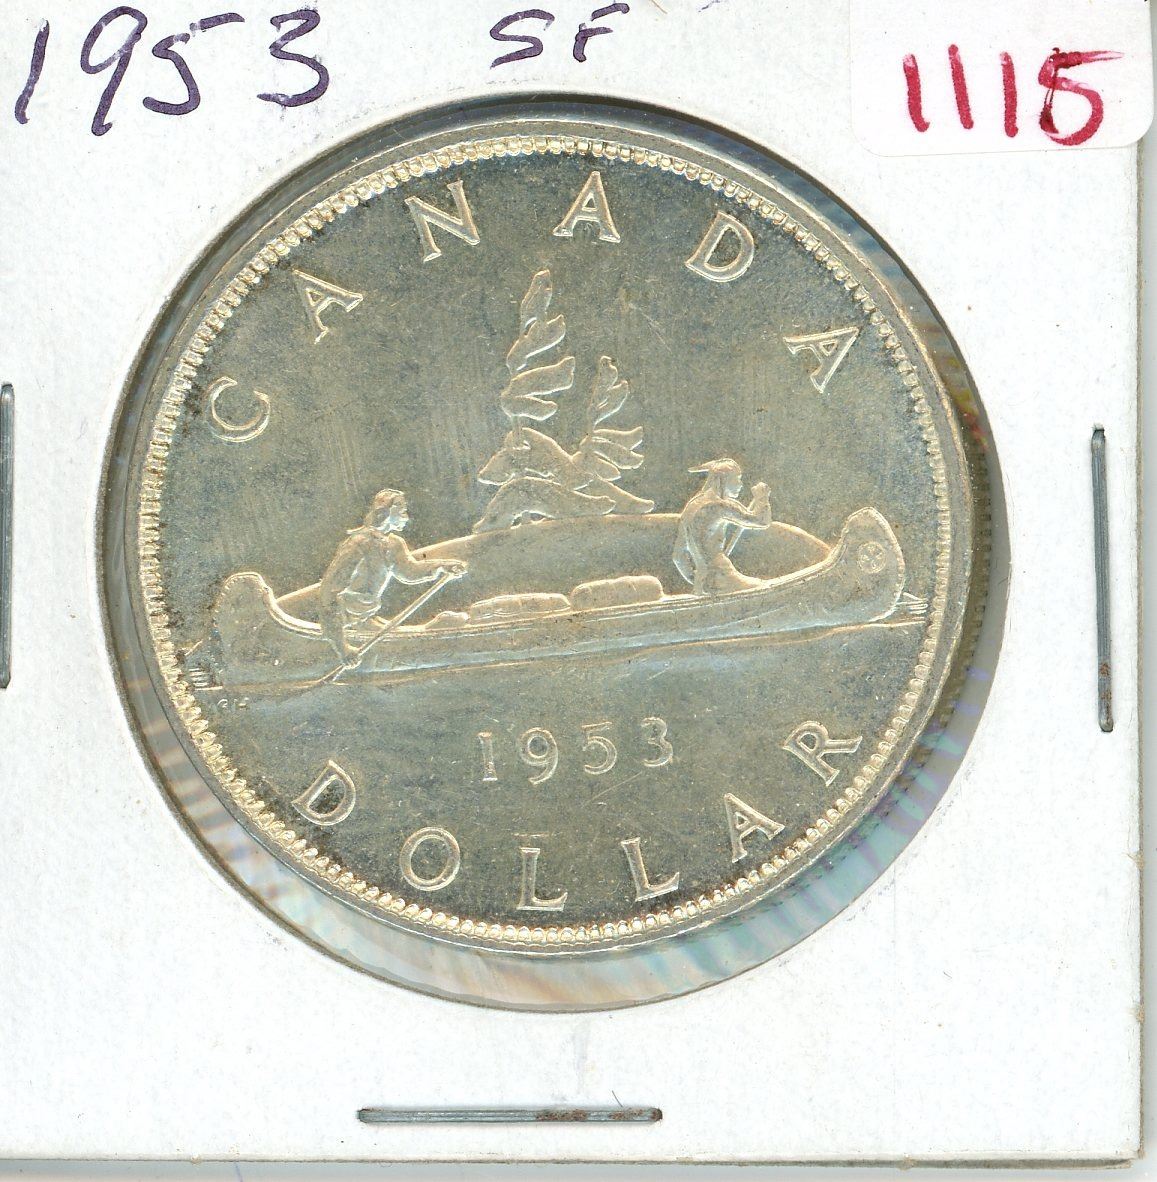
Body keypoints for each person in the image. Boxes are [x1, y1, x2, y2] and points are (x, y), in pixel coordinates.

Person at [319, 488, 465, 663]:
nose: (406, 517)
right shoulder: (359, 543)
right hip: (345, 623)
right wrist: (342, 648)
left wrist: (442, 566)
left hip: (367, 618)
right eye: (402, 511)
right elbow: (329, 591)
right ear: (387, 511)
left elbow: (409, 571)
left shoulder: (393, 543)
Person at [672, 458, 772, 595]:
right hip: (724, 578)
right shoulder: (719, 506)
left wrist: (698, 580)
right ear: (723, 479)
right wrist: (762, 498)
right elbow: (761, 521)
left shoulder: (691, 506)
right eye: (737, 479)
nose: (741, 484)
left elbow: (678, 556)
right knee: (763, 587)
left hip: (702, 583)